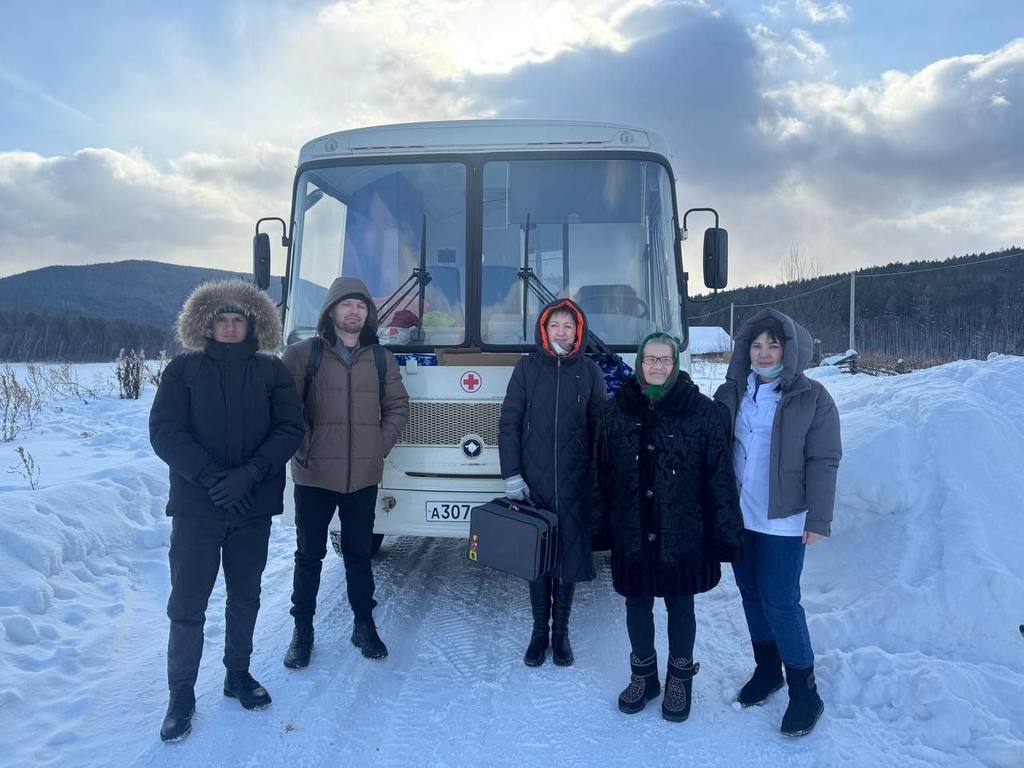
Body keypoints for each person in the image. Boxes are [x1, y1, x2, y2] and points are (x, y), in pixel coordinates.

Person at [150, 279, 304, 742]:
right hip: (197, 508)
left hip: (252, 507)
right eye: (223, 319)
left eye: (239, 319)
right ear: (206, 325)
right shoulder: (183, 370)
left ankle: (237, 673)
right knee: (187, 604)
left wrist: (251, 474)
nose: (232, 326)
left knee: (245, 595)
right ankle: (181, 695)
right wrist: (212, 477)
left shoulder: (272, 372)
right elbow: (165, 431)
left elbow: (289, 428)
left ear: (254, 325)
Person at [596, 332, 743, 722]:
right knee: (636, 603)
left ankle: (680, 678)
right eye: (650, 359)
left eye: (665, 359)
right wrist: (599, 526)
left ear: (675, 364)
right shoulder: (615, 412)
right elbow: (601, 476)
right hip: (631, 528)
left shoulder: (702, 412)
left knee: (681, 603)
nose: (657, 366)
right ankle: (643, 676)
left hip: (684, 530)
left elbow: (719, 479)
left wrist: (725, 533)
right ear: (639, 363)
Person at [714, 309, 842, 738]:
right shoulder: (733, 392)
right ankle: (768, 670)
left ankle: (806, 693)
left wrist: (818, 518)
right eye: (756, 345)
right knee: (751, 593)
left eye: (773, 345)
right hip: (741, 515)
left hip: (784, 520)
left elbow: (823, 459)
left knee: (781, 602)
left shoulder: (813, 398)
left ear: (790, 349)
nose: (764, 353)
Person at [281, 277, 409, 667]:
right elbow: (284, 408)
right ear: (331, 310)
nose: (354, 312)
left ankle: (364, 625)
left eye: (361, 306)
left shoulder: (381, 359)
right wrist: (306, 447)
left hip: (362, 478)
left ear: (368, 314)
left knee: (359, 555)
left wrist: (376, 446)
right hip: (314, 475)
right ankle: (302, 631)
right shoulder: (303, 355)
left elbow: (398, 407)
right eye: (347, 305)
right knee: (309, 556)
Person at [498, 298, 606, 667]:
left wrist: (599, 478)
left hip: (576, 484)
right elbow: (509, 424)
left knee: (568, 557)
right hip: (534, 482)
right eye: (555, 325)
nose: (561, 332)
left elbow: (600, 429)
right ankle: (538, 633)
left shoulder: (590, 371)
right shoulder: (527, 368)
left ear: (579, 332)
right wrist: (512, 474)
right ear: (544, 329)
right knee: (538, 556)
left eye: (568, 326)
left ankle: (560, 633)